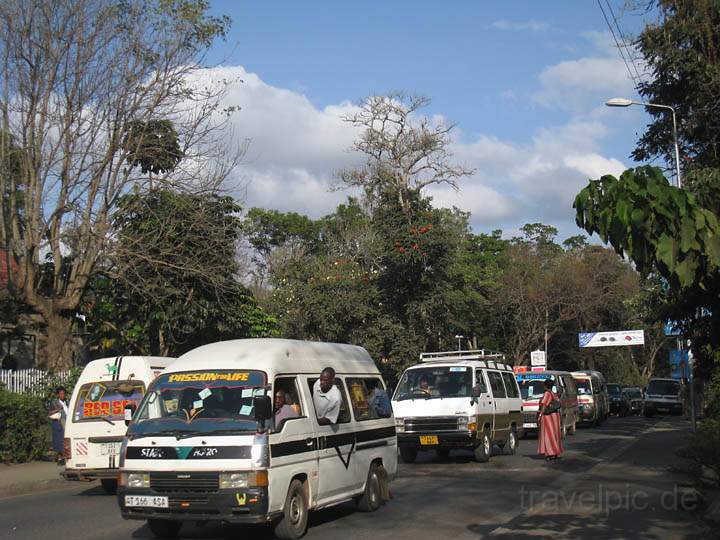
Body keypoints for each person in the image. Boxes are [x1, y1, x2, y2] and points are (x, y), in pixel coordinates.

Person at [537, 379, 563, 461]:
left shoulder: (547, 394)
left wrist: (540, 415)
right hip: (555, 416)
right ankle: (556, 452)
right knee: (555, 434)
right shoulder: (553, 394)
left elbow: (544, 405)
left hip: (548, 417)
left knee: (548, 435)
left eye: (544, 385)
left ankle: (550, 453)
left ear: (546, 386)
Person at [48, 386, 69, 464]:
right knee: (59, 440)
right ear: (58, 395)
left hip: (67, 421)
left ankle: (64, 456)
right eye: (61, 394)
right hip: (59, 423)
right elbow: (49, 412)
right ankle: (61, 457)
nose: (62, 395)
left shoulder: (67, 401)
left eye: (63, 394)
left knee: (65, 439)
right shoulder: (54, 402)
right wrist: (58, 409)